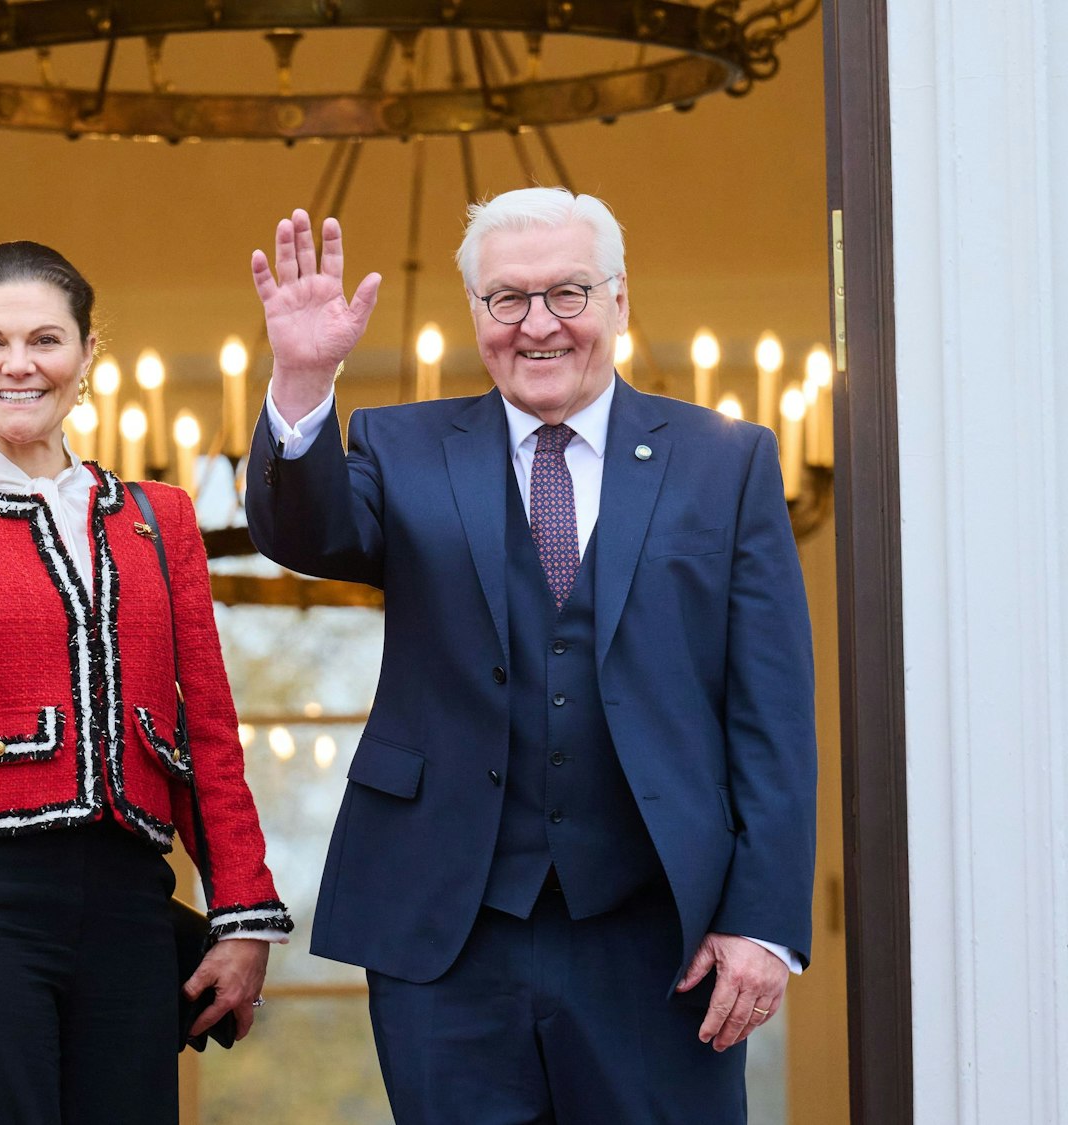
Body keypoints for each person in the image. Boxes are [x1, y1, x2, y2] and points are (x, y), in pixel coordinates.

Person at [244, 191, 818, 1123]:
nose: (538, 324)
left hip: (660, 935)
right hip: (449, 934)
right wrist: (304, 382)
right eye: (507, 299)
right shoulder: (402, 446)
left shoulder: (727, 462)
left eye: (568, 292)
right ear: (474, 312)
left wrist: (762, 918)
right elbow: (303, 529)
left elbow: (774, 714)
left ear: (621, 301)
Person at [0, 241, 293, 1125]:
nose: (18, 363)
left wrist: (242, 912)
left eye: (45, 339)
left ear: (88, 355)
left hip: (127, 906)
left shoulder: (158, 518)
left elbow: (206, 724)